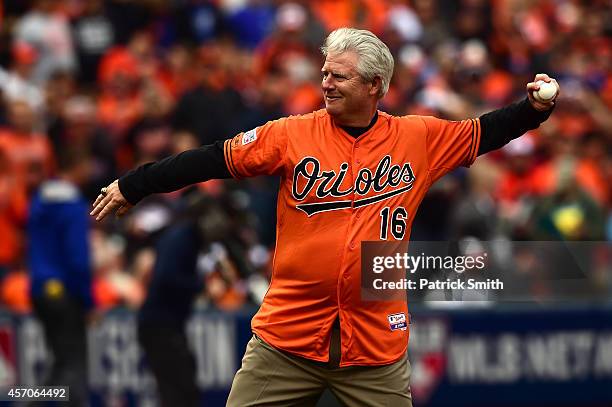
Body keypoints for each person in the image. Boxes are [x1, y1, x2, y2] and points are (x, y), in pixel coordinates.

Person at [91, 28, 559, 406]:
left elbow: (485, 131)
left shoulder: (418, 138)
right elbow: (213, 159)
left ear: (375, 86)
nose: (326, 84)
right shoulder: (292, 133)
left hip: (375, 345)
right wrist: (136, 184)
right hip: (287, 338)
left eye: (340, 76)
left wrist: (535, 108)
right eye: (325, 73)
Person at [29, 148, 94, 406]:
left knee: (59, 361)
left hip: (40, 290)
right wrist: (89, 301)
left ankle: (27, 402)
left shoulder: (38, 201)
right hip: (66, 293)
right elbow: (78, 258)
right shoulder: (73, 206)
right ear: (76, 167)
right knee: (74, 365)